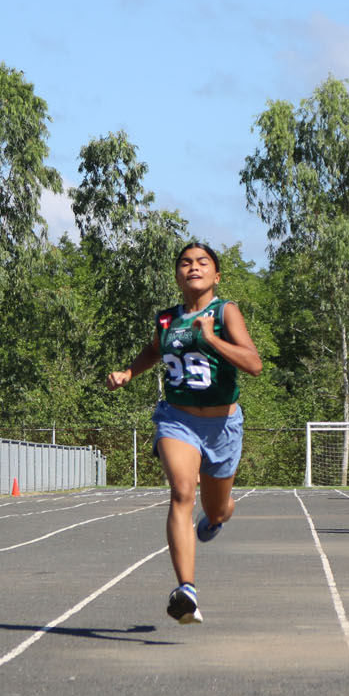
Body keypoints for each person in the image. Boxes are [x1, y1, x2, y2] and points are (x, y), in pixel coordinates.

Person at [105, 241, 262, 625]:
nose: (194, 267)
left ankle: (218, 517)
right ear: (177, 274)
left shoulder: (226, 311)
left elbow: (254, 364)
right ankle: (186, 590)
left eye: (202, 262)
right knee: (181, 492)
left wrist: (210, 338)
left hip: (223, 424)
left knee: (216, 508)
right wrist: (128, 372)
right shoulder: (166, 319)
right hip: (177, 419)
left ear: (216, 274)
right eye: (186, 263)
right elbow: (152, 351)